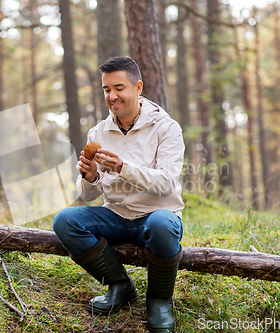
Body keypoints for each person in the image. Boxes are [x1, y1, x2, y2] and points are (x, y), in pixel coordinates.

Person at [52, 56, 184, 333]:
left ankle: (159, 300)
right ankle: (119, 285)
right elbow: (88, 196)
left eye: (119, 88)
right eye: (106, 89)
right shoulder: (98, 132)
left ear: (138, 87)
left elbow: (167, 184)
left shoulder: (167, 128)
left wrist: (122, 167)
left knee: (162, 224)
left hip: (156, 216)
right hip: (115, 215)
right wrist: (90, 178)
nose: (112, 96)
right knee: (65, 220)